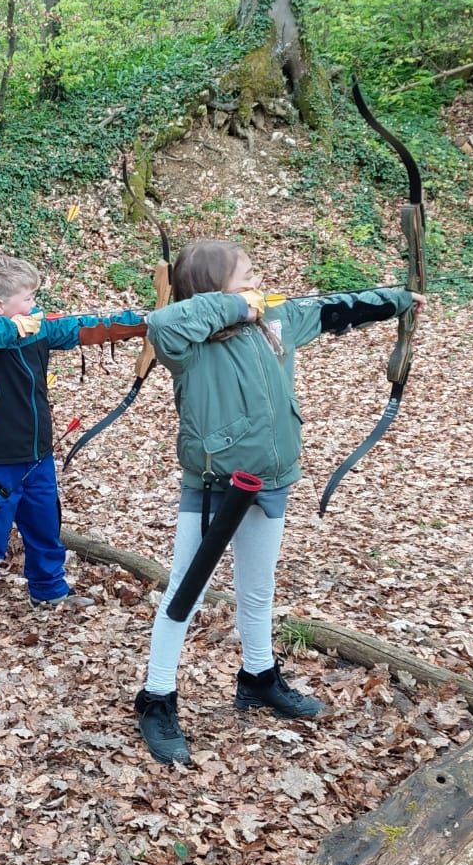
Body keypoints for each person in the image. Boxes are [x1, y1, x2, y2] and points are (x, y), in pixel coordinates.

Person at [135, 238, 425, 765]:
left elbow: (332, 308)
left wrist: (398, 300)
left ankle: (258, 676)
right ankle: (156, 697)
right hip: (215, 484)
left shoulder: (275, 321)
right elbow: (163, 323)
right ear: (213, 286)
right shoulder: (188, 343)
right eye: (245, 275)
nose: (257, 282)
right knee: (185, 592)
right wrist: (239, 306)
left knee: (258, 587)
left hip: (272, 478)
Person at [0, 253, 144, 637]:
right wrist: (12, 329)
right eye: (28, 298)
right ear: (0, 306)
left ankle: (48, 589)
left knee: (45, 526)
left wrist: (139, 324)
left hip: (37, 454)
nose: (35, 304)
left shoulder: (36, 326)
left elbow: (79, 327)